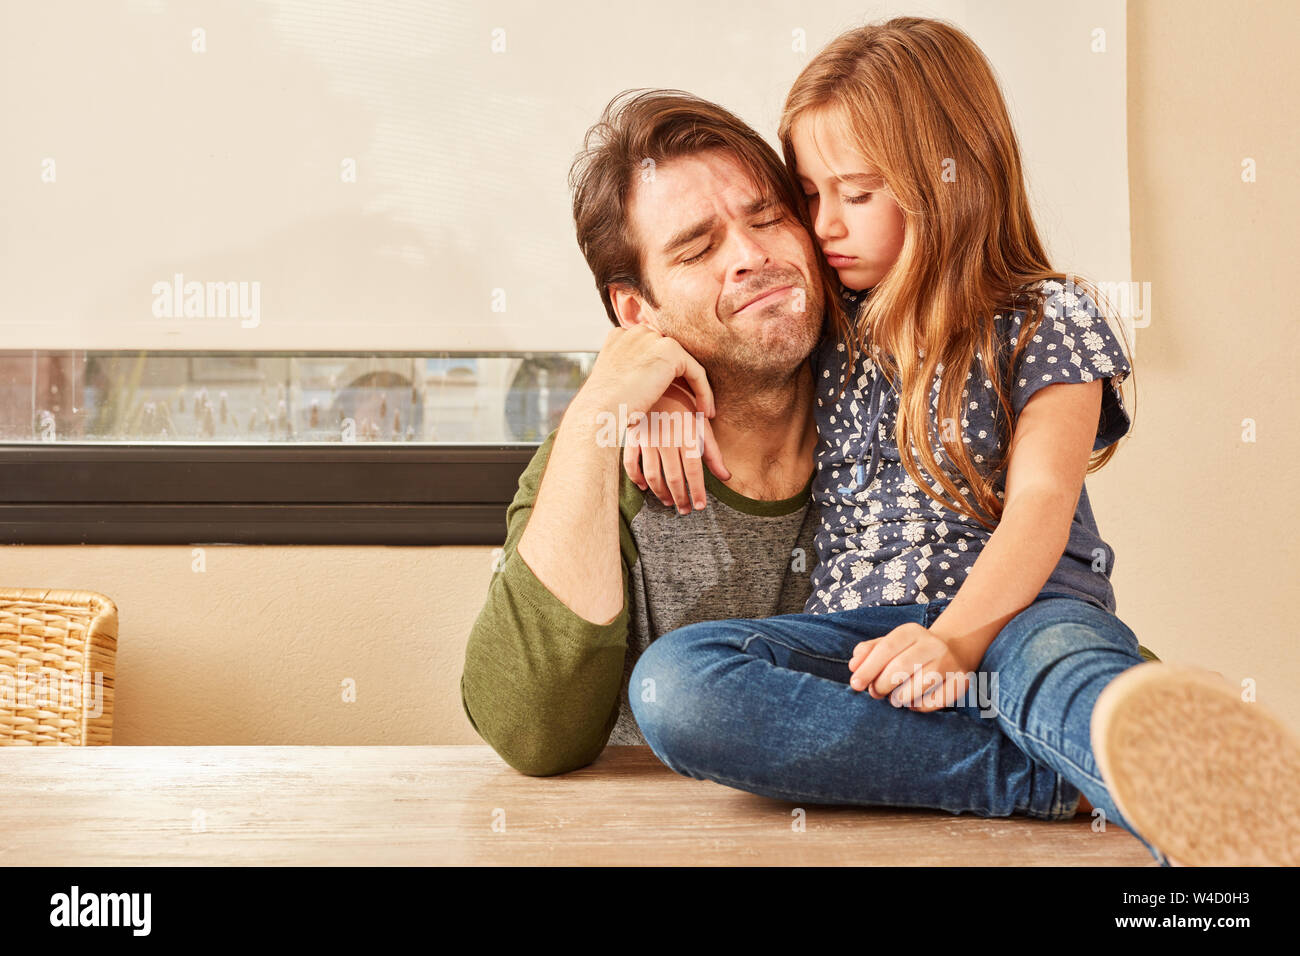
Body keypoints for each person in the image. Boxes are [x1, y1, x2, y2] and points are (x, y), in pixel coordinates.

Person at [626, 17, 1300, 867]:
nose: (825, 224)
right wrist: (656, 391)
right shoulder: (830, 317)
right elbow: (692, 334)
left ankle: (1219, 818)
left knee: (1070, 678)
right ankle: (1046, 780)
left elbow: (1046, 499)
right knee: (674, 685)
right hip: (868, 640)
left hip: (1025, 611)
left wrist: (959, 640)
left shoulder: (1047, 318)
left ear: (948, 178)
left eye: (858, 193)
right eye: (810, 194)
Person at [460, 88, 1118, 830]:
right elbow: (531, 733)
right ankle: (1046, 780)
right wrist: (601, 409)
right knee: (675, 683)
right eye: (698, 247)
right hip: (681, 837)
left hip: (967, 799)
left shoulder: (890, 365)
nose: (752, 257)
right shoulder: (607, 449)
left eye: (771, 216)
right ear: (636, 311)